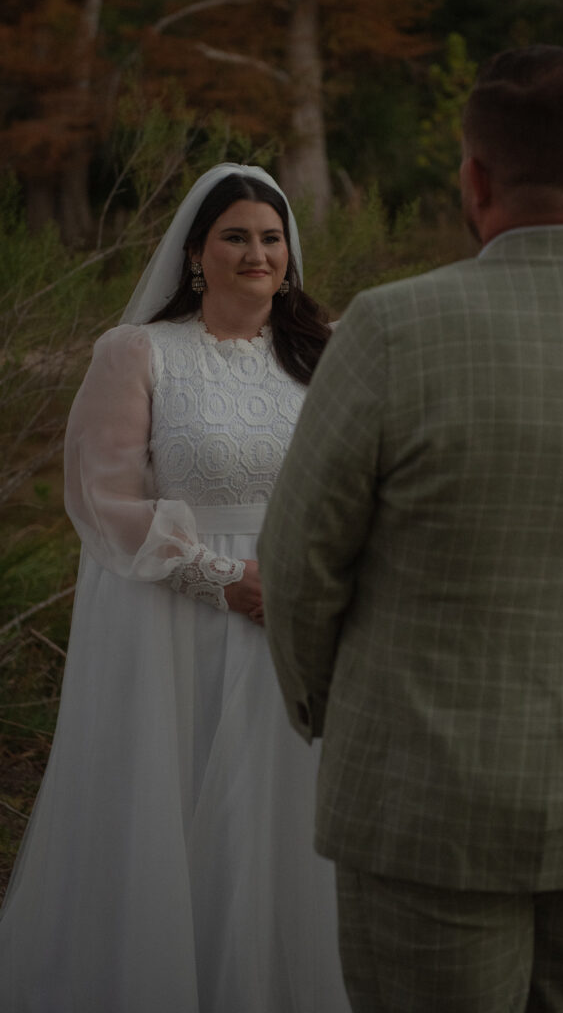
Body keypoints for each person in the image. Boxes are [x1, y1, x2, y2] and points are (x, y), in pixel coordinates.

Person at [257, 46, 563, 1013]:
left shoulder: (393, 330)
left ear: (475, 175)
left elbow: (298, 562)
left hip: (422, 791)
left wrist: (333, 709)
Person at [0, 163, 351, 1013]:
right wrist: (222, 578)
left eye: (271, 238)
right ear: (197, 252)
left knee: (282, 818)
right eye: (235, 236)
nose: (256, 253)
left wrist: (315, 582)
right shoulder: (140, 352)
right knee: (183, 806)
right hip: (177, 616)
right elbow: (100, 496)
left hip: (302, 614)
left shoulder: (326, 349)